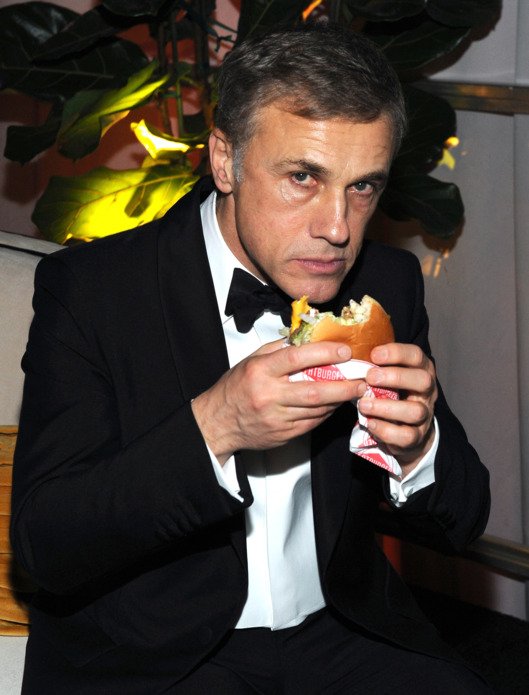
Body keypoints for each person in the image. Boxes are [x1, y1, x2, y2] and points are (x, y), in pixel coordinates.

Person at [11, 22, 491, 694]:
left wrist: (419, 446)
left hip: (340, 634)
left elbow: (465, 518)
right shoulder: (95, 290)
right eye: (303, 177)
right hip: (158, 655)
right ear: (224, 159)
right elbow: (45, 547)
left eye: (363, 187)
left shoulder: (385, 285)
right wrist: (217, 425)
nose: (338, 227)